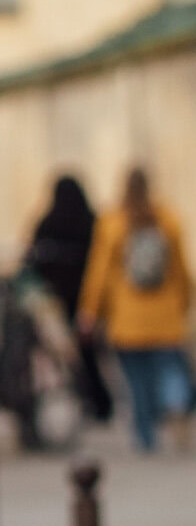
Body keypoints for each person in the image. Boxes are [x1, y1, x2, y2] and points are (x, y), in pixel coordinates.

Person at [77, 170, 195, 452]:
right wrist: (185, 303)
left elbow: (100, 272)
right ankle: (176, 404)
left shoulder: (112, 222)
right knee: (170, 370)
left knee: (135, 381)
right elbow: (181, 268)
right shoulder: (168, 219)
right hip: (165, 313)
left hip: (127, 316)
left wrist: (89, 309)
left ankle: (144, 436)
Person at [25, 175, 110, 422]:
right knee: (89, 355)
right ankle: (97, 401)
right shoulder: (92, 222)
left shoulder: (47, 223)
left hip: (57, 305)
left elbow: (32, 261)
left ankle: (85, 399)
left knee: (65, 357)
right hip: (86, 303)